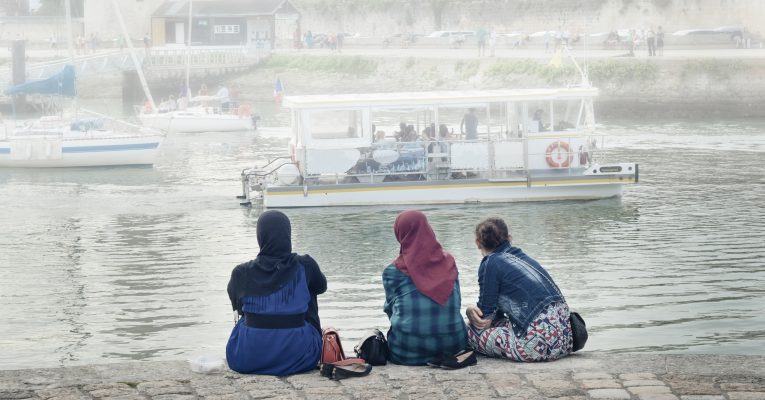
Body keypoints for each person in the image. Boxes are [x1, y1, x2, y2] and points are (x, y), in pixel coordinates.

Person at [226, 211, 327, 375]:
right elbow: (322, 287)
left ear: (260, 236)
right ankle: (294, 339)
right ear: (288, 234)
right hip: (299, 355)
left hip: (247, 357)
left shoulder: (241, 272)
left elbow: (237, 305)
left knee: (248, 309)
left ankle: (260, 346)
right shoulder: (305, 264)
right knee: (308, 288)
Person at [465, 217, 573, 362]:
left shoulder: (490, 263)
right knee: (501, 324)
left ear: (478, 243)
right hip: (565, 341)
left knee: (464, 331)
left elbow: (485, 321)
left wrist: (469, 312)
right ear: (509, 238)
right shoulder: (524, 259)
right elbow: (496, 316)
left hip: (535, 348)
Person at [383, 210, 468, 365]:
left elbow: (390, 311)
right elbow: (457, 303)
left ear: (400, 233)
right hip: (454, 347)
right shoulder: (449, 262)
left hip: (407, 351)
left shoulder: (392, 272)